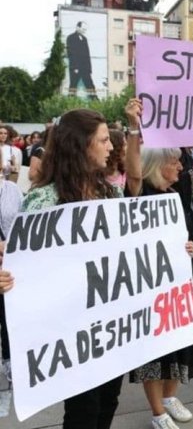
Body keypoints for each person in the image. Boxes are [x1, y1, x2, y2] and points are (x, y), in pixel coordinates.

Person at [21, 100, 142, 429]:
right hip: (72, 329)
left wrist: (173, 251)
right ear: (80, 145)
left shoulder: (111, 195)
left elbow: (130, 247)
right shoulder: (44, 201)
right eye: (103, 140)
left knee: (108, 400)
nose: (110, 146)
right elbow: (27, 268)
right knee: (83, 411)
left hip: (112, 323)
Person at [129, 146, 193, 429]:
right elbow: (133, 172)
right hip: (152, 286)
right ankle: (157, 412)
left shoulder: (175, 194)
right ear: (157, 164)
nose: (180, 167)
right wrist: (132, 131)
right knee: (155, 350)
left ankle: (169, 397)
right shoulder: (139, 195)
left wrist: (186, 246)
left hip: (183, 279)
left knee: (184, 338)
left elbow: (180, 235)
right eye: (174, 162)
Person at [0, 155, 23, 381]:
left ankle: (161, 405)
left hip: (10, 264)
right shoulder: (141, 188)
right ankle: (156, 410)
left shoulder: (12, 190)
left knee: (8, 317)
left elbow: (22, 221)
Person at [66, 21, 98, 100]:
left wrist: (89, 69)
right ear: (77, 27)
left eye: (85, 29)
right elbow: (71, 53)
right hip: (75, 68)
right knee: (73, 86)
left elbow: (87, 55)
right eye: (83, 29)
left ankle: (96, 102)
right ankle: (70, 102)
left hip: (85, 69)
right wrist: (75, 67)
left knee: (90, 86)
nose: (84, 31)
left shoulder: (84, 39)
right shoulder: (70, 38)